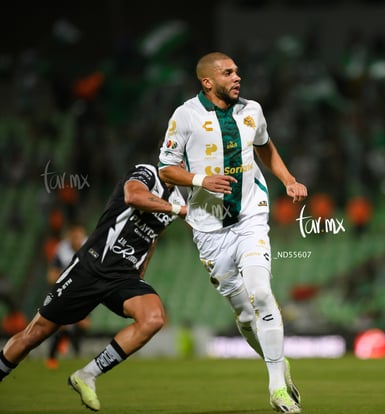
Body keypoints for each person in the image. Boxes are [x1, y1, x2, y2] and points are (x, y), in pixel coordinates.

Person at [158, 52, 308, 414]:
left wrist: (287, 179)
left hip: (250, 217)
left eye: (237, 70)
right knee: (243, 315)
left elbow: (265, 145)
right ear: (208, 82)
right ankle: (277, 361)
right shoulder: (185, 116)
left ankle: (277, 389)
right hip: (209, 229)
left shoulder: (251, 110)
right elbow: (165, 168)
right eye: (228, 73)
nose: (237, 76)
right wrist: (201, 179)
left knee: (261, 294)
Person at [0, 163, 186, 412]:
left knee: (153, 318)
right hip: (92, 267)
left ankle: (87, 374)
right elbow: (133, 196)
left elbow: (152, 238)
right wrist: (179, 209)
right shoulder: (146, 173)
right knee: (35, 334)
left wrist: (142, 271)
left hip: (123, 276)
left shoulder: (176, 198)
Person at [45, 221, 90, 369]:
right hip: (65, 289)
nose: (77, 239)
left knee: (82, 325)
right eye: (74, 236)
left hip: (85, 291)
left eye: (79, 236)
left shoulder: (90, 245)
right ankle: (52, 358)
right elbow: (51, 275)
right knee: (63, 324)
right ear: (69, 236)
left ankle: (70, 349)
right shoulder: (62, 249)